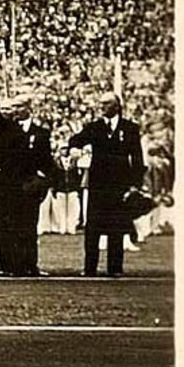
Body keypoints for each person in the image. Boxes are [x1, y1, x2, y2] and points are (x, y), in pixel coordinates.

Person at [0, 79, 57, 277]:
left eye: (18, 106)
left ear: (28, 108)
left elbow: (46, 161)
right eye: (12, 107)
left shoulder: (41, 133)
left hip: (29, 187)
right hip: (5, 187)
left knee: (28, 227)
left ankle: (30, 265)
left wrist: (43, 180)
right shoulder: (4, 129)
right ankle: (7, 266)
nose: (14, 110)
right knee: (5, 227)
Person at [68, 91, 146, 277]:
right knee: (93, 227)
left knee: (116, 227)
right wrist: (73, 149)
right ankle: (89, 268)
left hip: (120, 185)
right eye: (101, 103)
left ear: (117, 106)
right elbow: (76, 139)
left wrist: (135, 184)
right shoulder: (94, 127)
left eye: (106, 104)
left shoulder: (129, 128)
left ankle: (115, 268)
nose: (102, 107)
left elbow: (137, 158)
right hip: (98, 185)